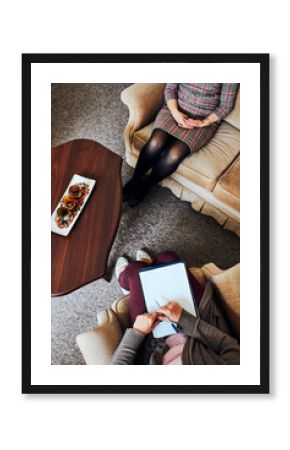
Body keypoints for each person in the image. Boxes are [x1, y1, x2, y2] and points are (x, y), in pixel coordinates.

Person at [110, 250, 240, 365]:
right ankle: (143, 272)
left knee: (135, 270)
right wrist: (184, 319)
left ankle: (126, 280)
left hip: (151, 342)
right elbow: (230, 348)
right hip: (203, 323)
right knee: (169, 258)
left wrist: (137, 332)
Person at [123, 83, 239, 207]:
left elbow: (225, 106)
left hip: (203, 121)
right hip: (175, 109)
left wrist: (204, 122)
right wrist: (175, 112)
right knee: (155, 143)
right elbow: (171, 88)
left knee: (174, 155)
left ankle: (146, 185)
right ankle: (135, 180)